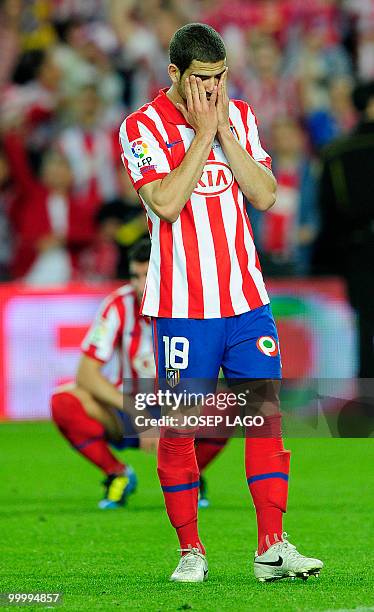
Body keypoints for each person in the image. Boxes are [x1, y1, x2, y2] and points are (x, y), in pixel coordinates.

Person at [120, 23, 323, 583]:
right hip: (183, 306)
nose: (212, 88)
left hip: (245, 301)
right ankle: (191, 550)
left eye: (219, 77)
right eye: (201, 78)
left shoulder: (242, 116)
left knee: (266, 418)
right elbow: (164, 202)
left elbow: (264, 193)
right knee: (181, 428)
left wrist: (223, 132)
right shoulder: (140, 127)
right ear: (175, 75)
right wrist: (201, 137)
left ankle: (272, 546)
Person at [50, 238, 226, 508]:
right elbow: (86, 373)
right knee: (64, 402)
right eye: (135, 275)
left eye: (148, 275)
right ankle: (117, 473)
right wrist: (139, 415)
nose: (140, 284)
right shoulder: (118, 305)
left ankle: (190, 475)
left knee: (236, 401)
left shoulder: (193, 304)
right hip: (128, 410)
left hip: (180, 409)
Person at [316, 80, 374, 379]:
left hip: (358, 252)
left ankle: (367, 399)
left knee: (364, 326)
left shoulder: (337, 154)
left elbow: (329, 212)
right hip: (359, 247)